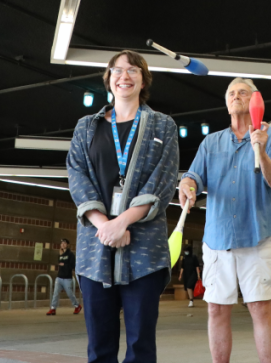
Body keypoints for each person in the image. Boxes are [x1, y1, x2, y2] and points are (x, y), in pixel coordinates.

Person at [67, 50, 179, 363]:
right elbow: (77, 176)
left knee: (141, 346)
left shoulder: (163, 126)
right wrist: (105, 225)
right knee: (99, 347)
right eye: (117, 70)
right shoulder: (86, 127)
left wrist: (124, 222)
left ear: (143, 80)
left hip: (144, 250)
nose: (124, 76)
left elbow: (163, 179)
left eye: (132, 70)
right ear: (108, 79)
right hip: (95, 246)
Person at [179, 77, 271, 363]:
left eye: (242, 92)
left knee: (260, 308)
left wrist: (261, 150)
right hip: (218, 238)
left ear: (255, 101)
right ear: (226, 102)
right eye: (231, 92)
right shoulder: (210, 142)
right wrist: (187, 184)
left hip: (259, 236)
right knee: (216, 309)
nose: (235, 96)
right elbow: (194, 177)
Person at [48, 238, 81, 315]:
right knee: (56, 293)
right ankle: (53, 308)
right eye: (62, 243)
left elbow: (73, 265)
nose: (63, 244)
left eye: (64, 243)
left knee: (69, 293)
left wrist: (65, 265)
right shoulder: (60, 254)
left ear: (67, 245)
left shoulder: (71, 255)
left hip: (67, 278)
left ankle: (77, 306)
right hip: (59, 277)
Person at [179, 242, 202, 307]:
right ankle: (191, 299)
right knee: (188, 287)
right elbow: (182, 267)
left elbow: (196, 266)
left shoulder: (194, 257)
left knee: (189, 286)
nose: (186, 252)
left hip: (193, 273)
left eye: (187, 250)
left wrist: (198, 275)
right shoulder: (184, 258)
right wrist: (180, 275)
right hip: (186, 274)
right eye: (185, 251)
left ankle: (191, 300)